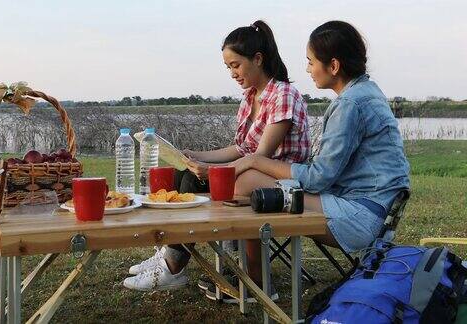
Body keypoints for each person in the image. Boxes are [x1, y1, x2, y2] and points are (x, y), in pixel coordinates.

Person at [123, 20, 310, 291]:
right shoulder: (250, 97)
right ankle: (169, 256)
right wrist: (195, 155)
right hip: (252, 171)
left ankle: (173, 265)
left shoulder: (283, 94)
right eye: (228, 67)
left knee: (193, 181)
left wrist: (209, 171)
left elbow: (260, 156)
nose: (232, 73)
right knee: (183, 172)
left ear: (258, 59)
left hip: (279, 181)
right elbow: (240, 148)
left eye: (236, 65)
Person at [231, 20, 410, 253]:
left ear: (333, 66)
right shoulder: (366, 91)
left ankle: (254, 278)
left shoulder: (350, 104)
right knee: (250, 181)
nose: (308, 69)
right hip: (373, 208)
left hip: (359, 218)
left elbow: (318, 178)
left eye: (311, 61)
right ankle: (251, 272)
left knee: (248, 181)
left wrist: (255, 160)